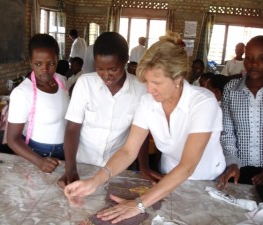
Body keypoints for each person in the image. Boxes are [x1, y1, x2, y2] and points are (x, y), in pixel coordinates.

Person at [63, 31, 226, 223]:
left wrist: (139, 204)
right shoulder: (149, 102)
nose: (149, 89)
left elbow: (187, 166)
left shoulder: (203, 102)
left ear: (177, 78)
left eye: (156, 83)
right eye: (147, 82)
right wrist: (94, 181)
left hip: (205, 182)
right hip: (166, 179)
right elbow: (128, 150)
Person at [57, 32, 158, 187]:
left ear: (125, 61)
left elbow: (140, 134)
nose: (106, 75)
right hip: (84, 164)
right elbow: (72, 129)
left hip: (117, 167)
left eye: (113, 69)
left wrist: (144, 166)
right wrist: (70, 169)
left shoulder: (140, 89)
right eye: (100, 69)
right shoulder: (85, 84)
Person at [7, 34, 70, 173]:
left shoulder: (61, 80)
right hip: (37, 153)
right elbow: (12, 139)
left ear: (57, 60)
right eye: (38, 64)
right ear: (30, 62)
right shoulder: (22, 93)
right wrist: (39, 161)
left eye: (51, 63)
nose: (45, 69)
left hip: (66, 150)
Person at [218, 36, 263, 192]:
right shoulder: (231, 89)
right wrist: (232, 163)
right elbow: (227, 132)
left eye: (261, 58)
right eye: (249, 58)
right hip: (239, 170)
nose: (254, 64)